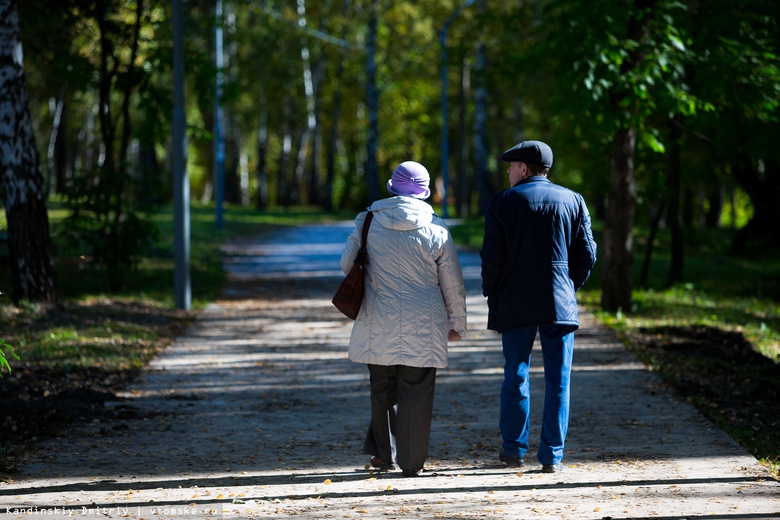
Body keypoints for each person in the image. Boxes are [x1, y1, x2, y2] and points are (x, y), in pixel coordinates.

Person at [340, 160, 467, 477]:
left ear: (392, 187)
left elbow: (346, 266)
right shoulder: (437, 228)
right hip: (424, 322)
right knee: (417, 390)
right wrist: (457, 323)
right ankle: (411, 462)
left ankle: (382, 455)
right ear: (424, 192)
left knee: (381, 387)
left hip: (377, 317)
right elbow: (452, 281)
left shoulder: (367, 221)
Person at [480, 140, 597, 473]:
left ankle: (513, 449)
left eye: (511, 165)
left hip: (516, 302)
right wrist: (568, 285)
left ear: (525, 168)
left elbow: (492, 258)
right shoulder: (574, 200)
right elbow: (587, 254)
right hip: (558, 302)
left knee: (516, 374)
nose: (507, 170)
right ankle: (552, 456)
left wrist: (493, 293)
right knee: (558, 380)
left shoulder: (501, 203)